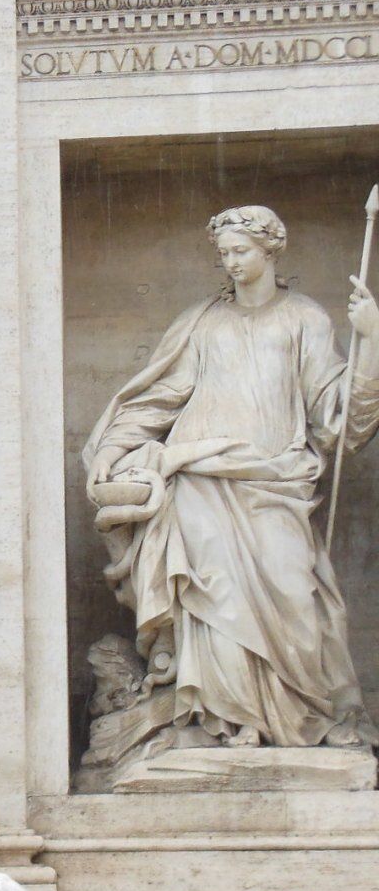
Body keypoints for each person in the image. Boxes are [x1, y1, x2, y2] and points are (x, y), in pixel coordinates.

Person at [83, 207, 379, 762]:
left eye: (241, 250)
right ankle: (215, 718)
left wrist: (372, 341)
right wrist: (113, 446)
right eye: (224, 253)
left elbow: (341, 420)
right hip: (199, 477)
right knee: (209, 589)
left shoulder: (305, 320)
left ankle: (303, 716)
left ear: (271, 251)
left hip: (275, 479)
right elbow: (158, 399)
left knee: (296, 591)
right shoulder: (203, 322)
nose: (231, 261)